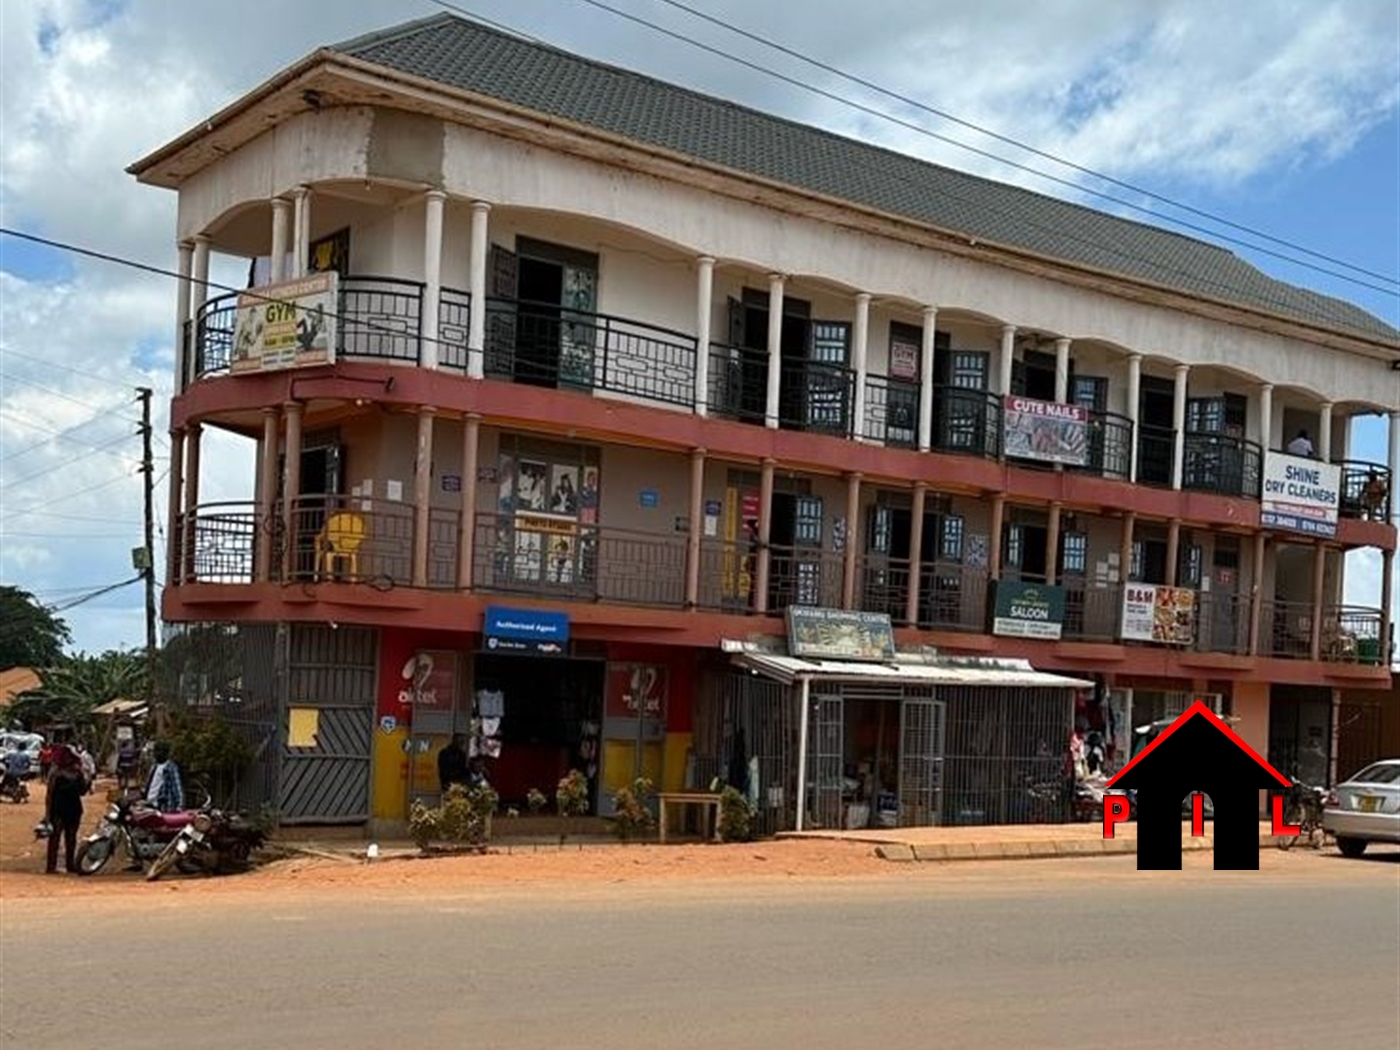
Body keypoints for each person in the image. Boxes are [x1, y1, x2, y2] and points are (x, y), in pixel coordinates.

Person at [44, 746, 86, 874]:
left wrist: (47, 813)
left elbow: (50, 794)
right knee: (62, 838)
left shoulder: (57, 773)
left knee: (65, 838)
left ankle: (60, 865)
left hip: (64, 809)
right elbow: (82, 790)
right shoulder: (71, 773)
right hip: (65, 809)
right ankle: (63, 865)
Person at [145, 742, 185, 813]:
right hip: (149, 804)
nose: (156, 754)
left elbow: (177, 787)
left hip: (163, 806)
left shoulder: (171, 768)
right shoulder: (154, 767)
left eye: (159, 751)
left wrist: (180, 806)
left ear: (166, 753)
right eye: (155, 751)